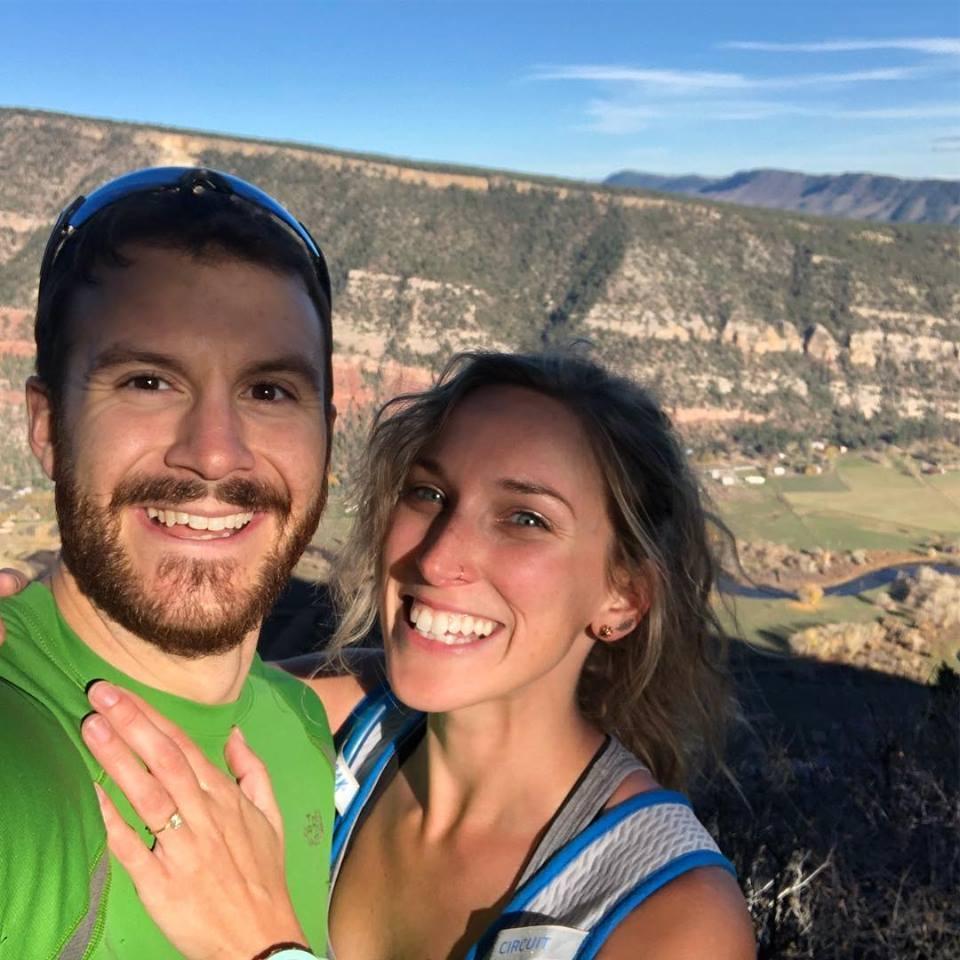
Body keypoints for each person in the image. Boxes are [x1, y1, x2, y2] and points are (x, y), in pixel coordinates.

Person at [66, 351, 757, 959]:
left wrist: (263, 949)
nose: (439, 555)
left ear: (623, 598)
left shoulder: (669, 916)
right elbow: (113, 706)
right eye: (428, 494)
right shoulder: (338, 723)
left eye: (525, 519)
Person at [0, 167, 339, 959]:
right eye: (148, 381)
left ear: (327, 435)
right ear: (47, 428)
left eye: (269, 391)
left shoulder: (296, 726)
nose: (214, 453)